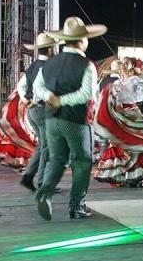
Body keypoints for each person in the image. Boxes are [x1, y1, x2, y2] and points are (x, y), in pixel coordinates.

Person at [33, 16, 107, 220]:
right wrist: (62, 101)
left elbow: (36, 88)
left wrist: (50, 98)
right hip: (74, 120)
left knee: (57, 159)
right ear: (82, 40)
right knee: (82, 161)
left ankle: (44, 193)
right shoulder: (87, 65)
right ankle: (77, 205)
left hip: (51, 120)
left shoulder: (48, 64)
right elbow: (86, 95)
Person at [93, 57, 143, 186]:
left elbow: (132, 97)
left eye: (127, 63)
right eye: (122, 62)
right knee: (119, 145)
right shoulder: (118, 81)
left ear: (133, 67)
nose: (123, 65)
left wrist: (114, 90)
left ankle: (136, 176)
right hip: (120, 115)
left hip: (131, 115)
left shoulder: (135, 80)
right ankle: (124, 177)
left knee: (135, 145)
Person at [16, 33, 62, 191]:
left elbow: (20, 86)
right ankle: (43, 182)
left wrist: (25, 100)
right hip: (42, 109)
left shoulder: (33, 66)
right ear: (50, 50)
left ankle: (28, 177)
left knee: (43, 146)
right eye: (55, 47)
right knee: (48, 147)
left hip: (33, 111)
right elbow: (38, 86)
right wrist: (35, 99)